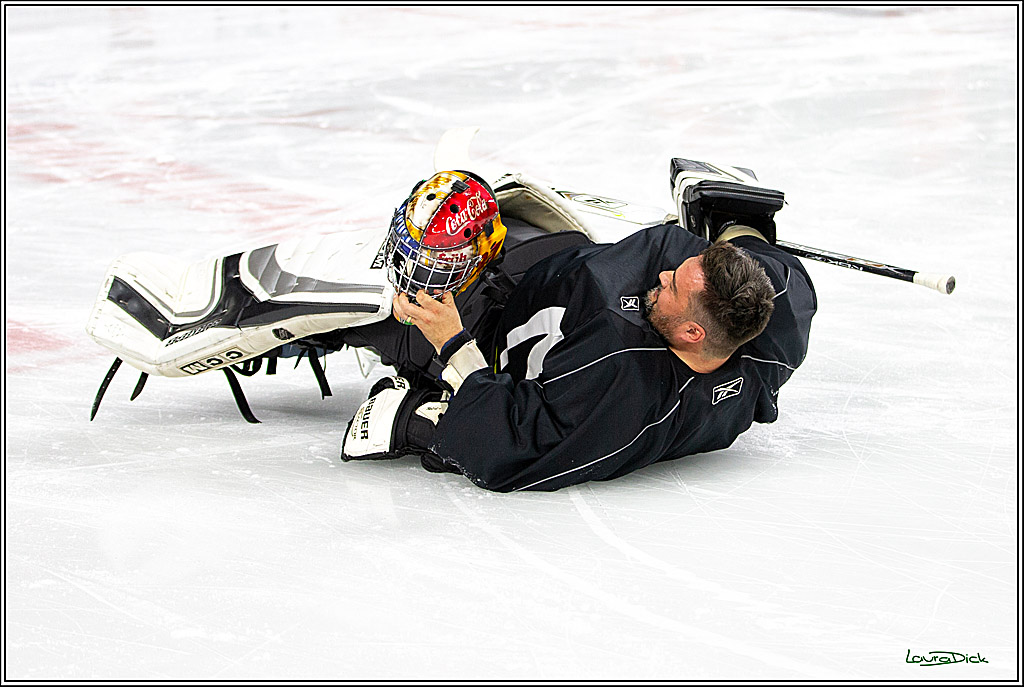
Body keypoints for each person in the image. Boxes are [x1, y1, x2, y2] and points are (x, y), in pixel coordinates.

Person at [333, 169, 817, 492]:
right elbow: (767, 258)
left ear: (691, 333)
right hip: (566, 258)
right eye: (683, 264)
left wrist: (450, 345)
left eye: (671, 285)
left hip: (491, 327)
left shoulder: (622, 385)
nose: (663, 274)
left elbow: (506, 453)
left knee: (364, 305)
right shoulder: (779, 303)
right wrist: (734, 226)